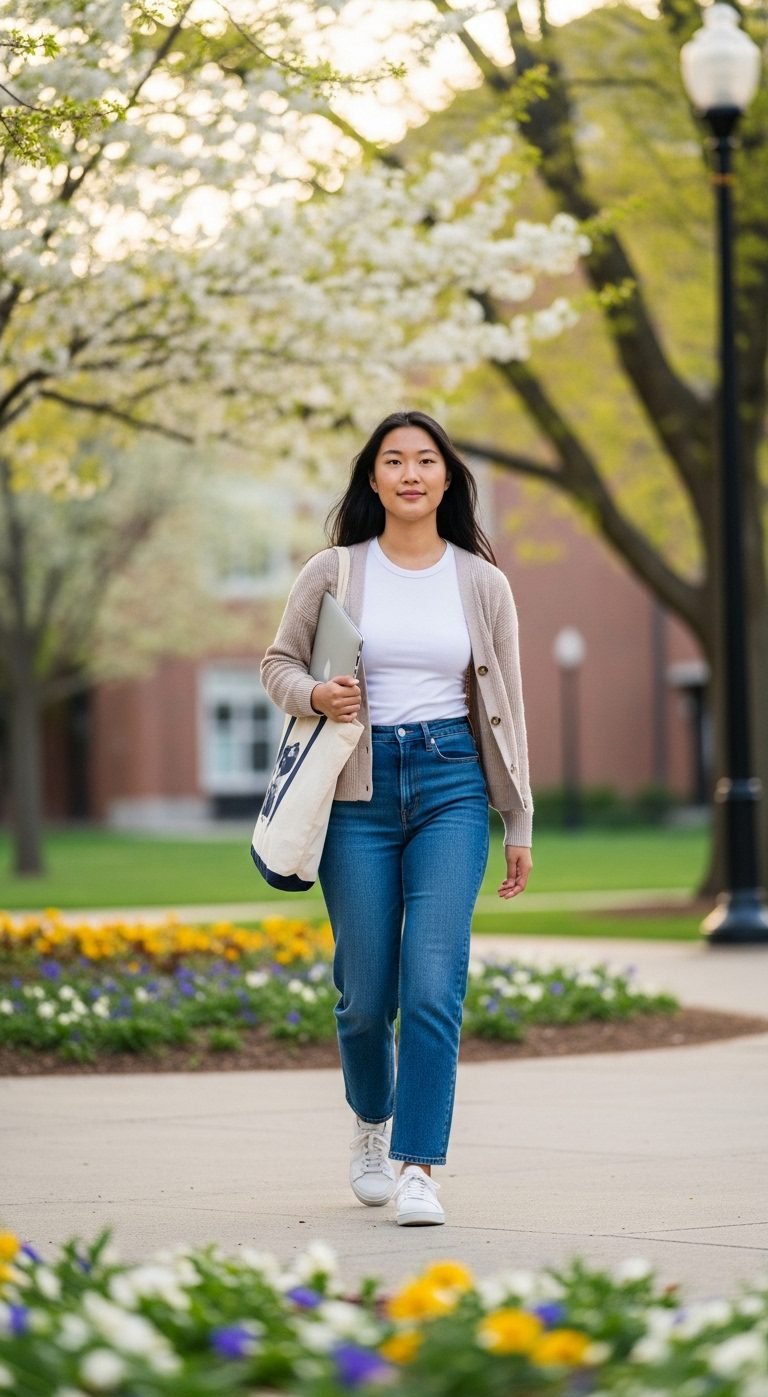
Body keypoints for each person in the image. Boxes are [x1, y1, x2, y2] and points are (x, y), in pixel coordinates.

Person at [260, 410, 533, 1227]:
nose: (411, 474)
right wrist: (315, 693)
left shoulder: (482, 582)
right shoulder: (335, 570)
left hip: (452, 782)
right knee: (364, 990)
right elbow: (277, 663)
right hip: (357, 789)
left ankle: (419, 1163)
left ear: (447, 478)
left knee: (433, 980)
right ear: (372, 479)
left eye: (426, 461)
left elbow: (509, 709)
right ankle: (371, 1123)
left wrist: (517, 819)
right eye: (394, 461)